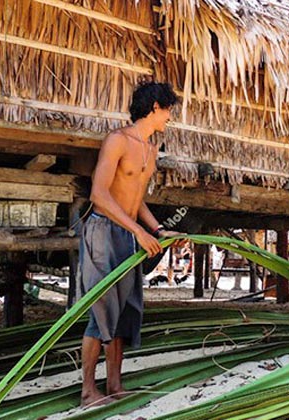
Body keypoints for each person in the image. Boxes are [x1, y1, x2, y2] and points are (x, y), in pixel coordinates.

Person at [78, 81, 180, 407]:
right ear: (154, 108)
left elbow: (136, 199)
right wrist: (138, 230)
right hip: (103, 231)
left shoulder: (151, 149)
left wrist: (157, 228)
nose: (169, 118)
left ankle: (114, 386)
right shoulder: (117, 141)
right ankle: (87, 392)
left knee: (123, 313)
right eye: (168, 111)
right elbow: (99, 195)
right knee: (102, 312)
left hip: (128, 232)